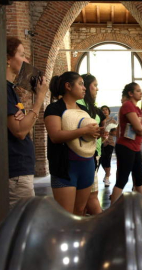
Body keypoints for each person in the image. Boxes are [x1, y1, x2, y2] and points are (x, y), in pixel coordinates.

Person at [44, 71, 100, 215]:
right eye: (80, 84)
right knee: (65, 215)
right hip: (65, 168)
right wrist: (84, 131)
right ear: (68, 86)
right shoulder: (54, 109)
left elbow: (87, 136)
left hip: (86, 164)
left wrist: (96, 133)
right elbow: (55, 136)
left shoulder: (83, 110)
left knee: (80, 211)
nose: (84, 88)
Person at [6, 37, 49, 209]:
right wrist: (39, 99)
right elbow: (20, 130)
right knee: (21, 226)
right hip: (16, 172)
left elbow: (22, 123)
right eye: (22, 55)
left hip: (20, 170)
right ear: (8, 59)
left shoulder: (11, 90)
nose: (26, 60)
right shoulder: (4, 90)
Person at [110, 83, 142, 203]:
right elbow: (139, 128)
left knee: (139, 177)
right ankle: (113, 208)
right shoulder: (128, 106)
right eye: (138, 91)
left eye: (141, 90)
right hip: (126, 147)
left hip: (136, 147)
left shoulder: (137, 109)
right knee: (123, 178)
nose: (141, 93)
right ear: (130, 93)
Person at [79, 74, 105, 215]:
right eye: (94, 85)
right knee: (86, 197)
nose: (97, 89)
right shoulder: (79, 106)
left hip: (96, 150)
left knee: (91, 194)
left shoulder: (91, 105)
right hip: (85, 153)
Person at [100, 105, 117, 187]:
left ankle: (107, 178)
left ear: (109, 111)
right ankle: (107, 173)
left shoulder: (113, 121)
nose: (104, 111)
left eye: (106, 110)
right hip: (100, 142)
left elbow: (116, 133)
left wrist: (109, 133)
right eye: (103, 110)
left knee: (107, 160)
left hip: (110, 143)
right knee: (102, 160)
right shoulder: (99, 120)